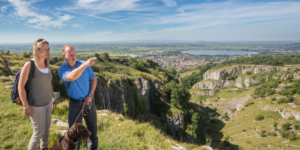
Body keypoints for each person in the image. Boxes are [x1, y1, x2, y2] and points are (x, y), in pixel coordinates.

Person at [18, 38, 57, 150]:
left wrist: (53, 97)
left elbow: (48, 83)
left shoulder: (46, 63)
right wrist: (25, 105)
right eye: (45, 49)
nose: (47, 52)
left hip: (48, 102)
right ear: (37, 50)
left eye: (48, 49)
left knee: (46, 129)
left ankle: (43, 147)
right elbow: (20, 86)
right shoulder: (30, 64)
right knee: (38, 133)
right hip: (36, 105)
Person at [58, 44, 98, 150]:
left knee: (92, 129)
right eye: (70, 54)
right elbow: (71, 76)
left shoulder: (83, 64)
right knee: (74, 135)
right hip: (75, 104)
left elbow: (94, 79)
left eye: (74, 53)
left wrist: (90, 95)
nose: (73, 56)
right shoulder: (62, 70)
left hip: (89, 102)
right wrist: (85, 64)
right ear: (64, 56)